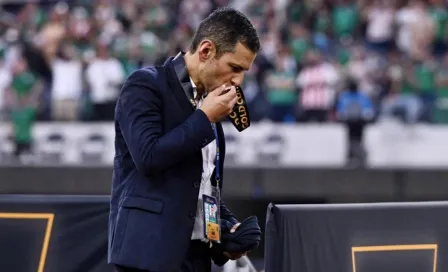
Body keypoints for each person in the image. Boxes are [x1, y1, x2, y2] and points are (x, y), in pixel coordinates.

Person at [108, 7, 260, 272]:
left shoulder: (209, 108)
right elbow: (148, 157)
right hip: (147, 256)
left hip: (195, 258)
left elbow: (201, 187)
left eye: (244, 71)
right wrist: (204, 117)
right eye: (234, 68)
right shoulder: (145, 86)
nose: (238, 80)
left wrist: (227, 226)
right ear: (206, 51)